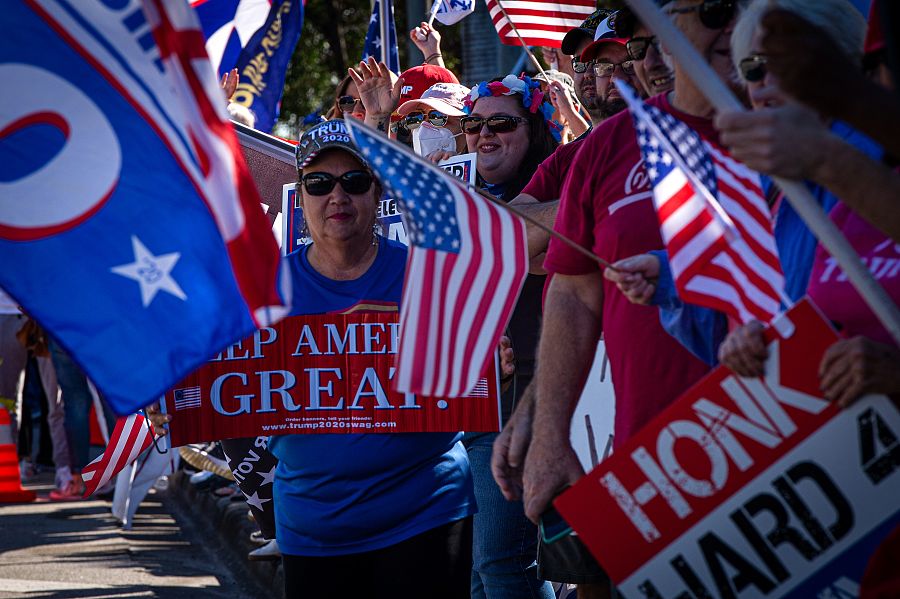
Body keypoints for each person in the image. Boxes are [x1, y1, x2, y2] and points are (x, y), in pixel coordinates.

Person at [152, 119, 476, 597]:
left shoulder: (431, 276)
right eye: (320, 183)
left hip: (425, 512)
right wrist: (171, 395)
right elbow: (202, 368)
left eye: (355, 181)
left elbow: (472, 372)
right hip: (314, 527)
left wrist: (491, 364)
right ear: (301, 197)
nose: (337, 197)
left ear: (376, 192)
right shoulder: (258, 291)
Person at [519, 1, 750, 593]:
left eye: (724, 9)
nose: (653, 55)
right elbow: (572, 293)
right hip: (656, 464)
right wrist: (548, 432)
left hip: (796, 439)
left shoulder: (795, 129)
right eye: (645, 41)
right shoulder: (607, 148)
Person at [606, 0, 880, 366]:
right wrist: (743, 338)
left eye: (782, 61)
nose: (764, 81)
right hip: (812, 413)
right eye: (751, 68)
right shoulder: (767, 177)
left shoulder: (880, 157)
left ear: (842, 57)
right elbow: (754, 299)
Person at [459, 73, 558, 599]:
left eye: (501, 123)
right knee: (479, 572)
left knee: (504, 563)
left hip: (531, 396)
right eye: (474, 125)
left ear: (536, 130)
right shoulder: (461, 191)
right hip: (470, 401)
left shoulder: (559, 182)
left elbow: (535, 253)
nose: (484, 135)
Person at [394, 82, 470, 161]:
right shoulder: (409, 169)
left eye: (437, 116)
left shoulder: (482, 169)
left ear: (467, 125)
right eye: (417, 116)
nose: (423, 126)